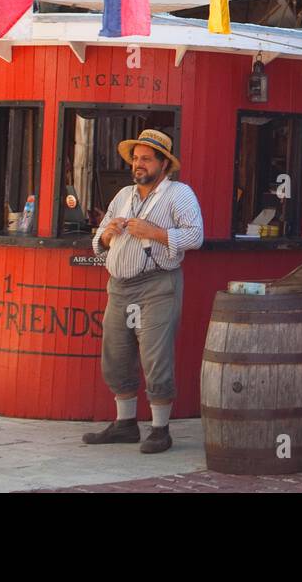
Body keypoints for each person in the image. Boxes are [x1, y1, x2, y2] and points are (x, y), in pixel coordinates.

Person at [83, 129, 203, 453]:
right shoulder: (123, 195)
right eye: (136, 158)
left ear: (164, 164)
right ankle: (125, 424)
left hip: (157, 285)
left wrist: (155, 232)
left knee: (155, 356)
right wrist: (107, 233)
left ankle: (160, 430)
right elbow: (98, 242)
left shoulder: (179, 194)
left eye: (146, 159)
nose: (138, 164)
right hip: (119, 288)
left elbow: (196, 236)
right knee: (116, 355)